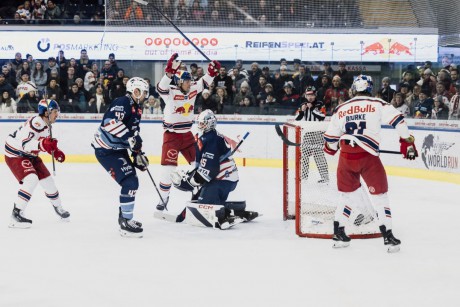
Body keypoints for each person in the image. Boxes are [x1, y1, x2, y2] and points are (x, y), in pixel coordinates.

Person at [323, 75, 418, 253]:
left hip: (346, 156)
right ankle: (388, 237)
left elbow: (330, 142)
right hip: (367, 156)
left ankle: (339, 234)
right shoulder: (378, 103)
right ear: (370, 87)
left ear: (354, 87)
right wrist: (407, 141)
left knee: (346, 197)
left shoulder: (341, 108)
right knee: (380, 196)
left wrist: (331, 148)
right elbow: (399, 121)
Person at [171, 110, 258, 229]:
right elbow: (203, 164)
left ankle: (224, 215)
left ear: (210, 123)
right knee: (200, 200)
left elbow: (210, 169)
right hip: (223, 179)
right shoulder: (207, 137)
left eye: (202, 123)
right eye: (199, 123)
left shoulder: (211, 139)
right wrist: (192, 176)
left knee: (203, 206)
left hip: (222, 180)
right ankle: (237, 210)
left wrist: (192, 182)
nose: (199, 126)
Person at [155, 53, 220, 211]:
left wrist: (212, 72)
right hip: (171, 136)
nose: (190, 83)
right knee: (167, 170)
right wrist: (169, 73)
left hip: (187, 135)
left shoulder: (192, 89)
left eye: (190, 80)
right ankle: (163, 198)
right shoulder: (170, 91)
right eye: (186, 81)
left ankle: (200, 194)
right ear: (178, 82)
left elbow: (204, 81)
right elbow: (160, 87)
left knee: (199, 166)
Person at [92, 77, 149, 237]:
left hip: (118, 148)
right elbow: (109, 122)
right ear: (136, 91)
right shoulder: (123, 101)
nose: (146, 95)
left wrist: (137, 154)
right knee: (130, 183)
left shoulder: (137, 108)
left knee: (132, 181)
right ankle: (125, 222)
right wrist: (131, 140)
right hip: (106, 149)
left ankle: (124, 217)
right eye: (144, 92)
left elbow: (133, 133)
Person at [4, 99, 69, 228]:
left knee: (48, 181)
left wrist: (54, 151)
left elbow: (43, 143)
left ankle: (58, 207)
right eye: (55, 112)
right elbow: (25, 144)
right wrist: (44, 144)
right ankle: (16, 215)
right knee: (31, 179)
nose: (57, 114)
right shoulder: (36, 123)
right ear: (46, 112)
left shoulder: (47, 123)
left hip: (30, 155)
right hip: (16, 154)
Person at [295, 86, 328, 182]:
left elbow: (322, 117)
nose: (310, 97)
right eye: (308, 95)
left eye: (312, 95)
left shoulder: (320, 104)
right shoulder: (302, 104)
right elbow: (297, 118)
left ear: (315, 95)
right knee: (304, 156)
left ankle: (325, 178)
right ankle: (303, 177)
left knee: (319, 156)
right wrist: (301, 111)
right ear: (305, 95)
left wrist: (313, 108)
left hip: (318, 134)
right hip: (307, 134)